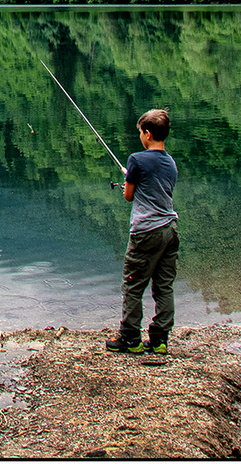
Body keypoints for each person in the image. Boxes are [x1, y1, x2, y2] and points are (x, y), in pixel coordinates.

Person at [105, 108, 178, 355]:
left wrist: (129, 180)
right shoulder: (171, 162)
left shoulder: (136, 160)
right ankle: (159, 340)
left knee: (133, 285)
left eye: (140, 132)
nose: (140, 136)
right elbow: (157, 188)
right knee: (164, 285)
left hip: (146, 231)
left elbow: (128, 196)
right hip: (170, 229)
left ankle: (131, 339)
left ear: (147, 134)